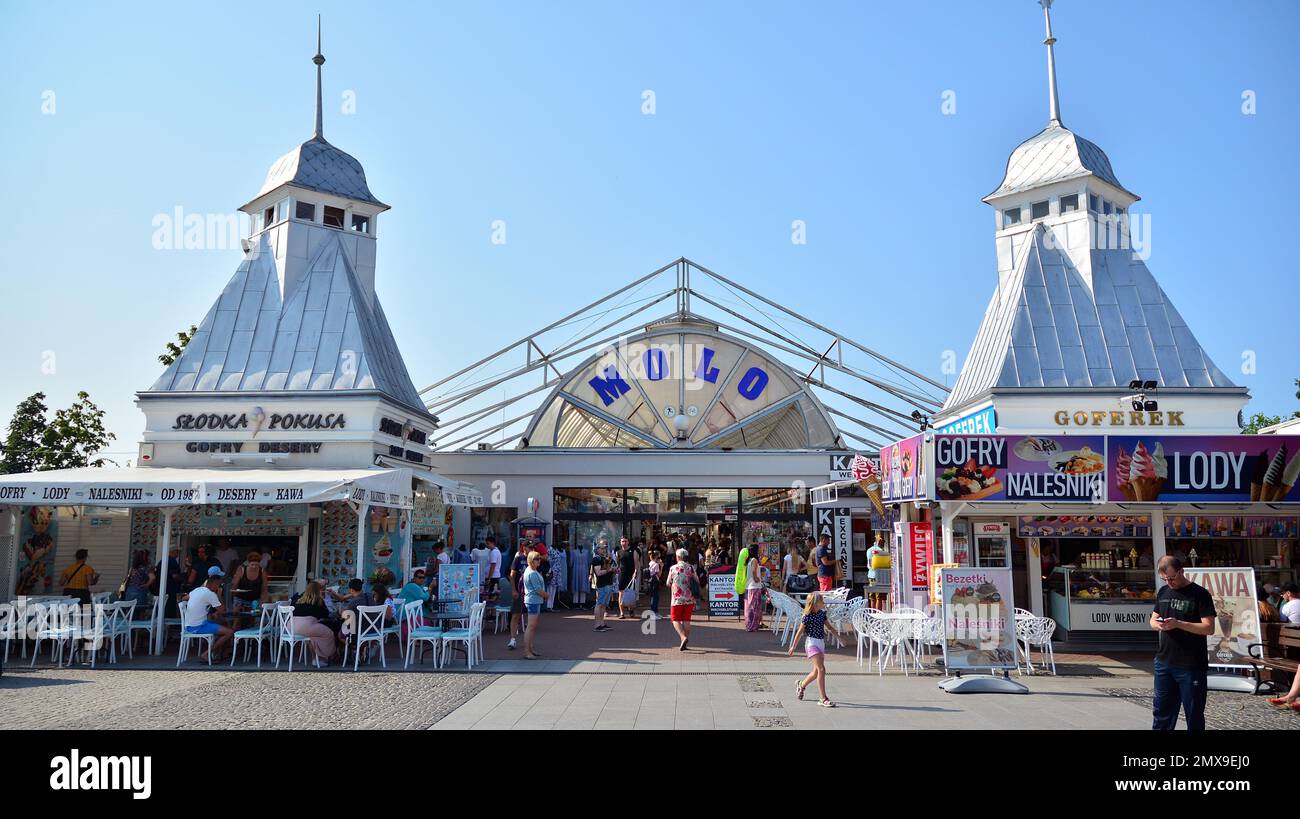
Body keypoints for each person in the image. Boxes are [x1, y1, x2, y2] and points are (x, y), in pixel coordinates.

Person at [1150, 556, 1216, 731]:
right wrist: (1158, 625)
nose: (1169, 582)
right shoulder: (1163, 591)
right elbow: (1153, 620)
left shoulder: (1200, 594)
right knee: (1161, 712)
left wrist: (1179, 624)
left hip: (1190, 665)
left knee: (1193, 714)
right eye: (1165, 579)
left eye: (1172, 578)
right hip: (1164, 662)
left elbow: (1209, 628)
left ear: (1182, 571)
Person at [788, 592, 841, 707]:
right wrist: (793, 646)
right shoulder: (807, 616)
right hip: (811, 644)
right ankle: (823, 698)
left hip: (820, 643)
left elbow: (829, 627)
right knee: (821, 669)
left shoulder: (822, 614)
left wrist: (839, 638)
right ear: (816, 603)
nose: (823, 603)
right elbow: (800, 632)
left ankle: (801, 685)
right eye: (822, 601)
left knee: (816, 672)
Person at [182, 567, 233, 661]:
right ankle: (206, 653)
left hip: (189, 625)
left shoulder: (197, 590)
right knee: (229, 632)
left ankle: (217, 653)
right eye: (219, 585)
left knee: (222, 623)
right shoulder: (211, 594)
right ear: (215, 584)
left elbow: (184, 598)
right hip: (198, 627)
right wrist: (219, 595)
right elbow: (223, 611)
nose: (219, 587)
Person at [291, 581, 338, 664]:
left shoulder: (298, 600)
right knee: (329, 633)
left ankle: (315, 657)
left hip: (291, 627)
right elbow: (325, 614)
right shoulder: (318, 601)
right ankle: (323, 657)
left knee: (314, 635)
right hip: (307, 626)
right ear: (318, 590)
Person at [666, 548, 697, 650]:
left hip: (677, 598)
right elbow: (696, 580)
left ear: (678, 557)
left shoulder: (673, 568)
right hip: (689, 598)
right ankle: (684, 642)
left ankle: (683, 637)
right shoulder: (690, 568)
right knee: (686, 620)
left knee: (675, 619)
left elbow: (668, 583)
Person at [522, 551, 548, 660]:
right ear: (531, 560)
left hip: (535, 600)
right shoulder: (532, 572)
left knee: (532, 627)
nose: (539, 560)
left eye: (539, 558)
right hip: (533, 601)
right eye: (537, 559)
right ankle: (527, 651)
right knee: (531, 626)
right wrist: (546, 595)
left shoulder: (532, 570)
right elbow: (537, 589)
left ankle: (530, 648)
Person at [507, 544, 531, 649]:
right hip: (519, 591)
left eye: (533, 547)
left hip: (531, 593)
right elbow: (512, 575)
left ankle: (529, 642)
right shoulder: (518, 559)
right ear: (524, 548)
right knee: (516, 615)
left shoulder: (535, 558)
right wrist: (513, 590)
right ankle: (512, 639)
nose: (531, 549)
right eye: (529, 547)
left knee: (531, 617)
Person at [591, 542, 616, 632]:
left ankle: (602, 623)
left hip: (608, 583)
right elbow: (598, 573)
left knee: (604, 604)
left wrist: (615, 570)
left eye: (605, 548)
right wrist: (609, 570)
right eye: (602, 548)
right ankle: (597, 625)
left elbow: (614, 567)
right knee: (599, 604)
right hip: (602, 584)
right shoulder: (596, 559)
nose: (604, 550)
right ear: (597, 549)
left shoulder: (606, 558)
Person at [152, 545, 183, 618]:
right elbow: (174, 576)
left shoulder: (162, 561)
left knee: (161, 608)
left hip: (161, 589)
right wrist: (183, 580)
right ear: (173, 552)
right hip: (170, 590)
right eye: (177, 552)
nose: (178, 554)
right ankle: (168, 624)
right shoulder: (172, 562)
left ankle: (159, 621)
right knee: (169, 609)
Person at [744, 543, 765, 632]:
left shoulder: (749, 560)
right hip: (754, 586)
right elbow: (753, 571)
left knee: (749, 606)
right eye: (759, 549)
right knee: (755, 607)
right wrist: (756, 578)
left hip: (749, 586)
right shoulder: (754, 560)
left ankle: (749, 624)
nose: (760, 550)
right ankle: (753, 625)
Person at [617, 537, 639, 619]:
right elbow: (617, 563)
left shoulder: (633, 551)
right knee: (621, 593)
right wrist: (617, 571)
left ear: (628, 542)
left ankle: (631, 610)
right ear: (620, 542)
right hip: (622, 575)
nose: (624, 543)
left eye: (625, 541)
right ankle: (622, 613)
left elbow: (636, 563)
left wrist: (635, 572)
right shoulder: (618, 552)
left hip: (631, 575)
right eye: (622, 541)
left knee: (631, 593)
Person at [733, 542, 750, 620]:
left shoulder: (741, 564)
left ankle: (745, 614)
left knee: (745, 600)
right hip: (747, 584)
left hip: (742, 583)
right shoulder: (748, 563)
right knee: (746, 600)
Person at [647, 548, 663, 619]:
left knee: (653, 597)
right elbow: (659, 575)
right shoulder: (656, 565)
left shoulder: (650, 563)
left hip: (651, 581)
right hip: (655, 582)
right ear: (656, 556)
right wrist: (661, 567)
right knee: (655, 597)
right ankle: (654, 613)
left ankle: (655, 613)